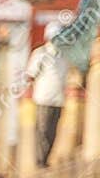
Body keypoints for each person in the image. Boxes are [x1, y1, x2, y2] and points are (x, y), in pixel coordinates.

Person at [26, 23, 71, 168]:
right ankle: (40, 162)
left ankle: (46, 159)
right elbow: (30, 75)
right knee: (42, 131)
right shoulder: (40, 54)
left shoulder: (64, 56)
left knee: (52, 132)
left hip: (58, 99)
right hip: (43, 98)